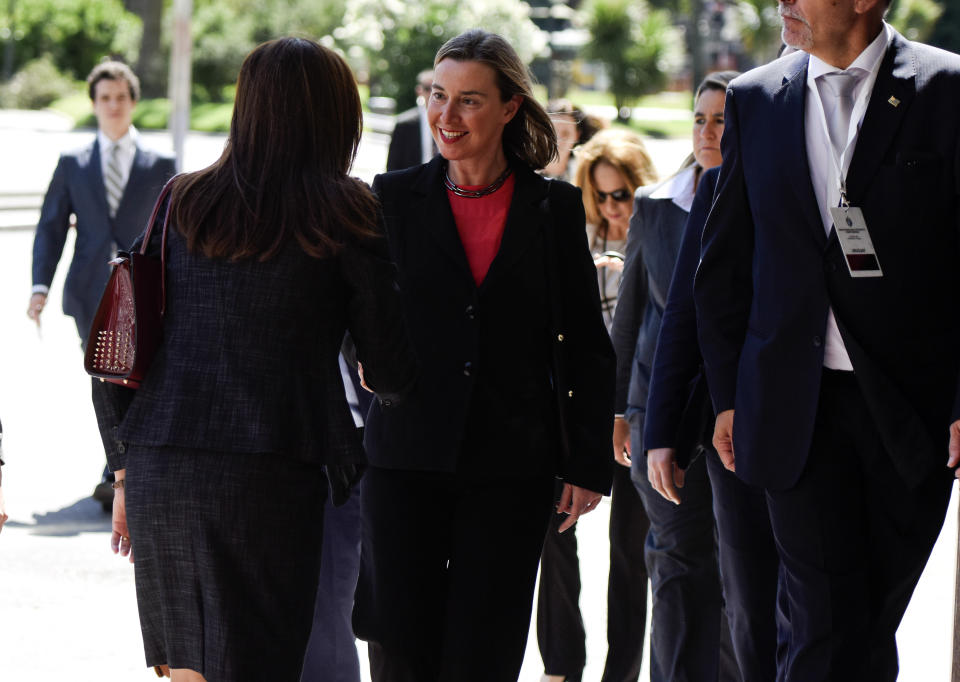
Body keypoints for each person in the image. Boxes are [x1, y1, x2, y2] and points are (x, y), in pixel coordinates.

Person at [91, 37, 415, 682]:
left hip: (162, 465)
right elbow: (392, 370)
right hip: (270, 469)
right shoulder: (346, 211)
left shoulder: (180, 201)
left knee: (186, 668)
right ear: (334, 117)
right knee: (261, 661)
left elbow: (120, 349)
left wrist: (124, 474)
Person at [693, 1, 960, 678]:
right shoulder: (754, 98)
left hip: (912, 413)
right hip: (793, 409)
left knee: (867, 625)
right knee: (822, 619)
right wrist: (726, 396)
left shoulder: (947, 88)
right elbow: (723, 263)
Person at [352, 29, 615, 682]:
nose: (445, 115)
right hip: (404, 460)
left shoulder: (551, 206)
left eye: (468, 100)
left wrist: (586, 462)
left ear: (508, 109)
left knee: (485, 651)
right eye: (439, 96)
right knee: (401, 648)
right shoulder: (392, 196)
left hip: (511, 467)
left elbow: (585, 341)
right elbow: (359, 316)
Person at [610, 72, 742, 682]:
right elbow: (633, 312)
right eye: (699, 118)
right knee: (677, 565)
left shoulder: (764, 202)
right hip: (657, 415)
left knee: (736, 572)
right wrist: (618, 410)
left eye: (721, 119)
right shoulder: (657, 206)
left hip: (737, 420)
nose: (708, 131)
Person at [28, 60, 176, 510]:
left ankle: (117, 472)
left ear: (133, 102)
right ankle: (116, 470)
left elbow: (173, 231)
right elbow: (50, 226)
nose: (113, 106)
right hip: (90, 292)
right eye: (104, 98)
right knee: (105, 380)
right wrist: (40, 286)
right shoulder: (73, 163)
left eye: (121, 97)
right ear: (94, 104)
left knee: (136, 379)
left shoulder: (161, 164)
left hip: (145, 294)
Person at [536, 128, 656, 682]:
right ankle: (563, 663)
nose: (611, 209)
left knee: (630, 554)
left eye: (621, 196)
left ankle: (622, 672)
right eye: (601, 197)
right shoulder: (573, 240)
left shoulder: (659, 233)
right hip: (579, 417)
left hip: (637, 416)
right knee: (555, 535)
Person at [385, 69, 437, 171]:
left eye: (436, 90)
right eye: (428, 89)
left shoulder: (450, 120)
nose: (432, 94)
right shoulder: (403, 124)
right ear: (419, 91)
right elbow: (392, 166)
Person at [541, 100, 602, 181]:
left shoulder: (585, 174)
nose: (557, 140)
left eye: (566, 134)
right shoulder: (523, 170)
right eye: (551, 132)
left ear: (577, 135)